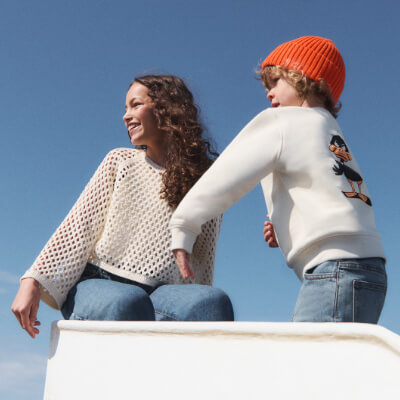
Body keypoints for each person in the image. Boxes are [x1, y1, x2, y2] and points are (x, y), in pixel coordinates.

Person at [170, 36, 386, 323]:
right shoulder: (331, 131)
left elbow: (227, 175)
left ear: (302, 75)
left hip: (333, 270)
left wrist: (184, 224)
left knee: (304, 353)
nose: (269, 93)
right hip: (371, 270)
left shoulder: (283, 121)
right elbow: (330, 191)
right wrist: (286, 227)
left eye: (275, 82)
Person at [12, 74, 234, 338]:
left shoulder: (205, 182)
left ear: (167, 109)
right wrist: (33, 279)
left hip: (162, 294)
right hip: (99, 282)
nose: (126, 116)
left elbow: (203, 259)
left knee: (213, 302)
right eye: (125, 108)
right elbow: (78, 227)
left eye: (135, 105)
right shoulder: (120, 162)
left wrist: (197, 305)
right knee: (128, 301)